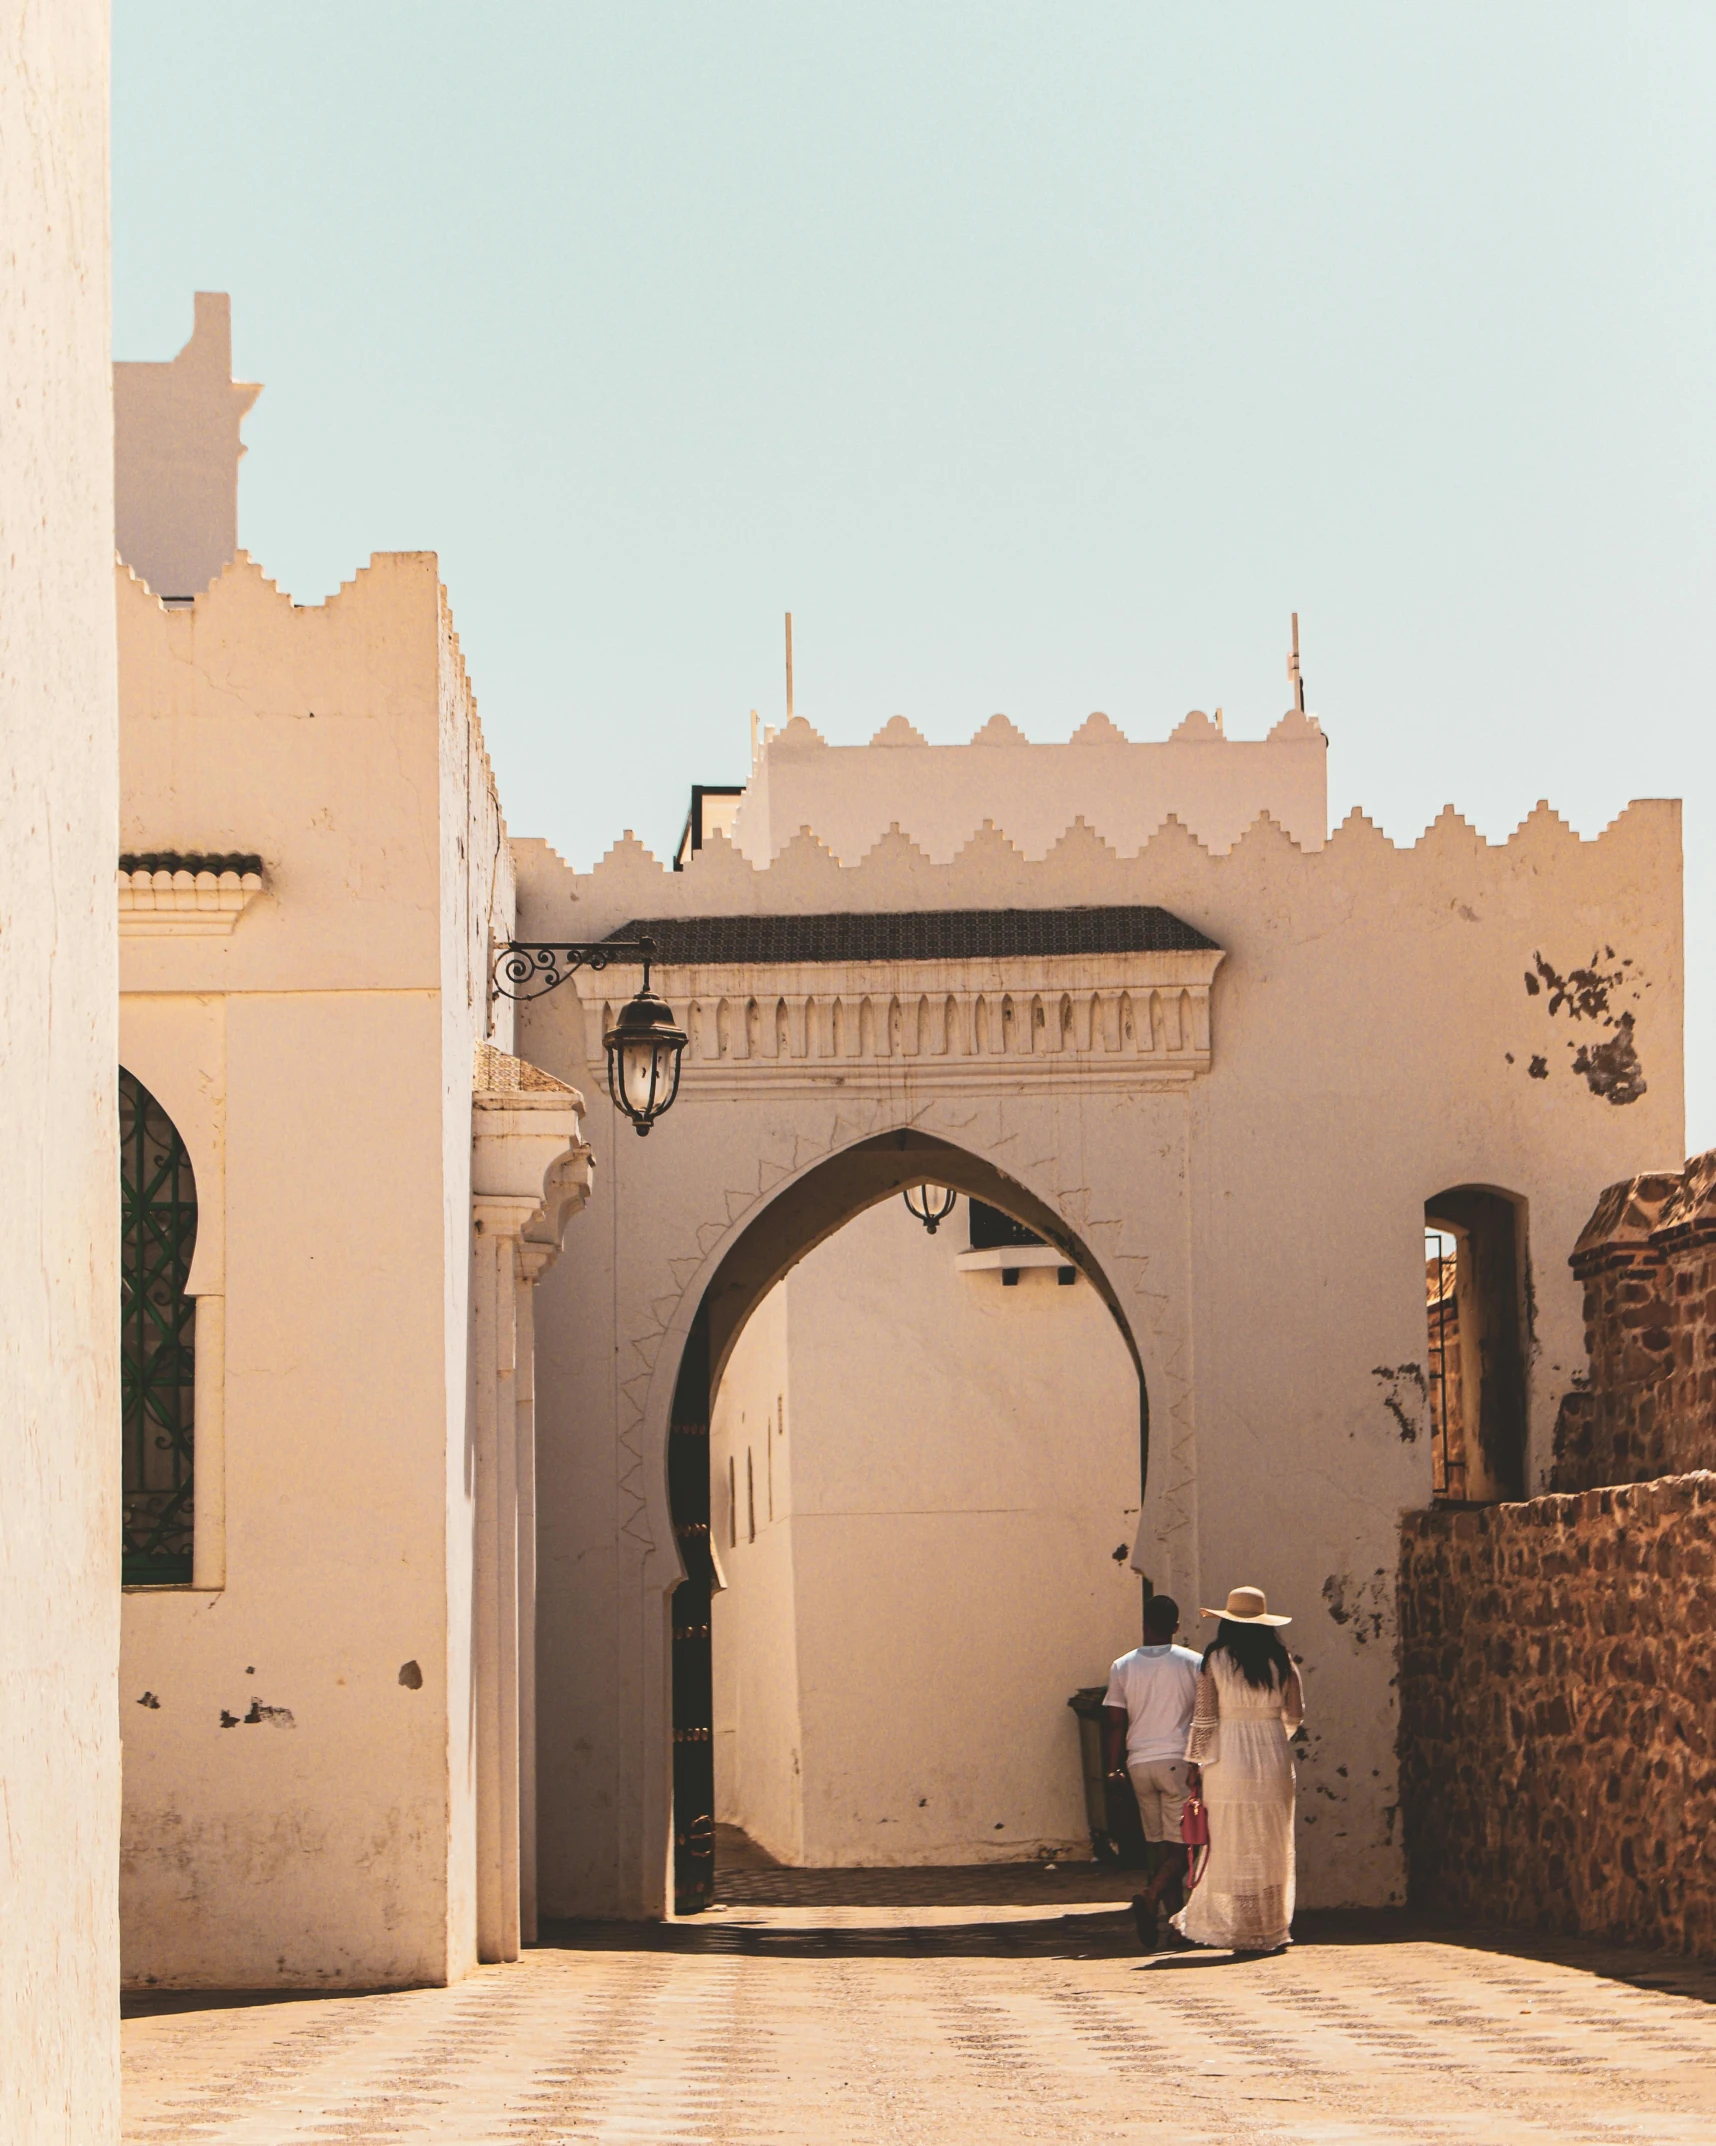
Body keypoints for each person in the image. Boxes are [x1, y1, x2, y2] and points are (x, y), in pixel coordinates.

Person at [1171, 1584, 1304, 1957]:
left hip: (1227, 1756)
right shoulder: (1282, 1660)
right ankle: (1269, 1926)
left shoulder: (1215, 1659)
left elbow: (1205, 1717)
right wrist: (1269, 1733)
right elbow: (1295, 1714)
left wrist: (1196, 1763)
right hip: (1274, 1755)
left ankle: (1239, 1926)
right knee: (1271, 1842)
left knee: (1230, 1840)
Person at [1101, 1594, 1201, 1948]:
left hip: (1138, 1761)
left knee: (1156, 1845)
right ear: (1176, 1627)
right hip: (1176, 1760)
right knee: (1184, 1845)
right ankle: (1153, 1896)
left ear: (1144, 1624)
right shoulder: (1194, 1663)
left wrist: (1113, 1768)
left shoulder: (1122, 1666)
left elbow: (1114, 1721)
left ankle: (1171, 1921)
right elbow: (1204, 1718)